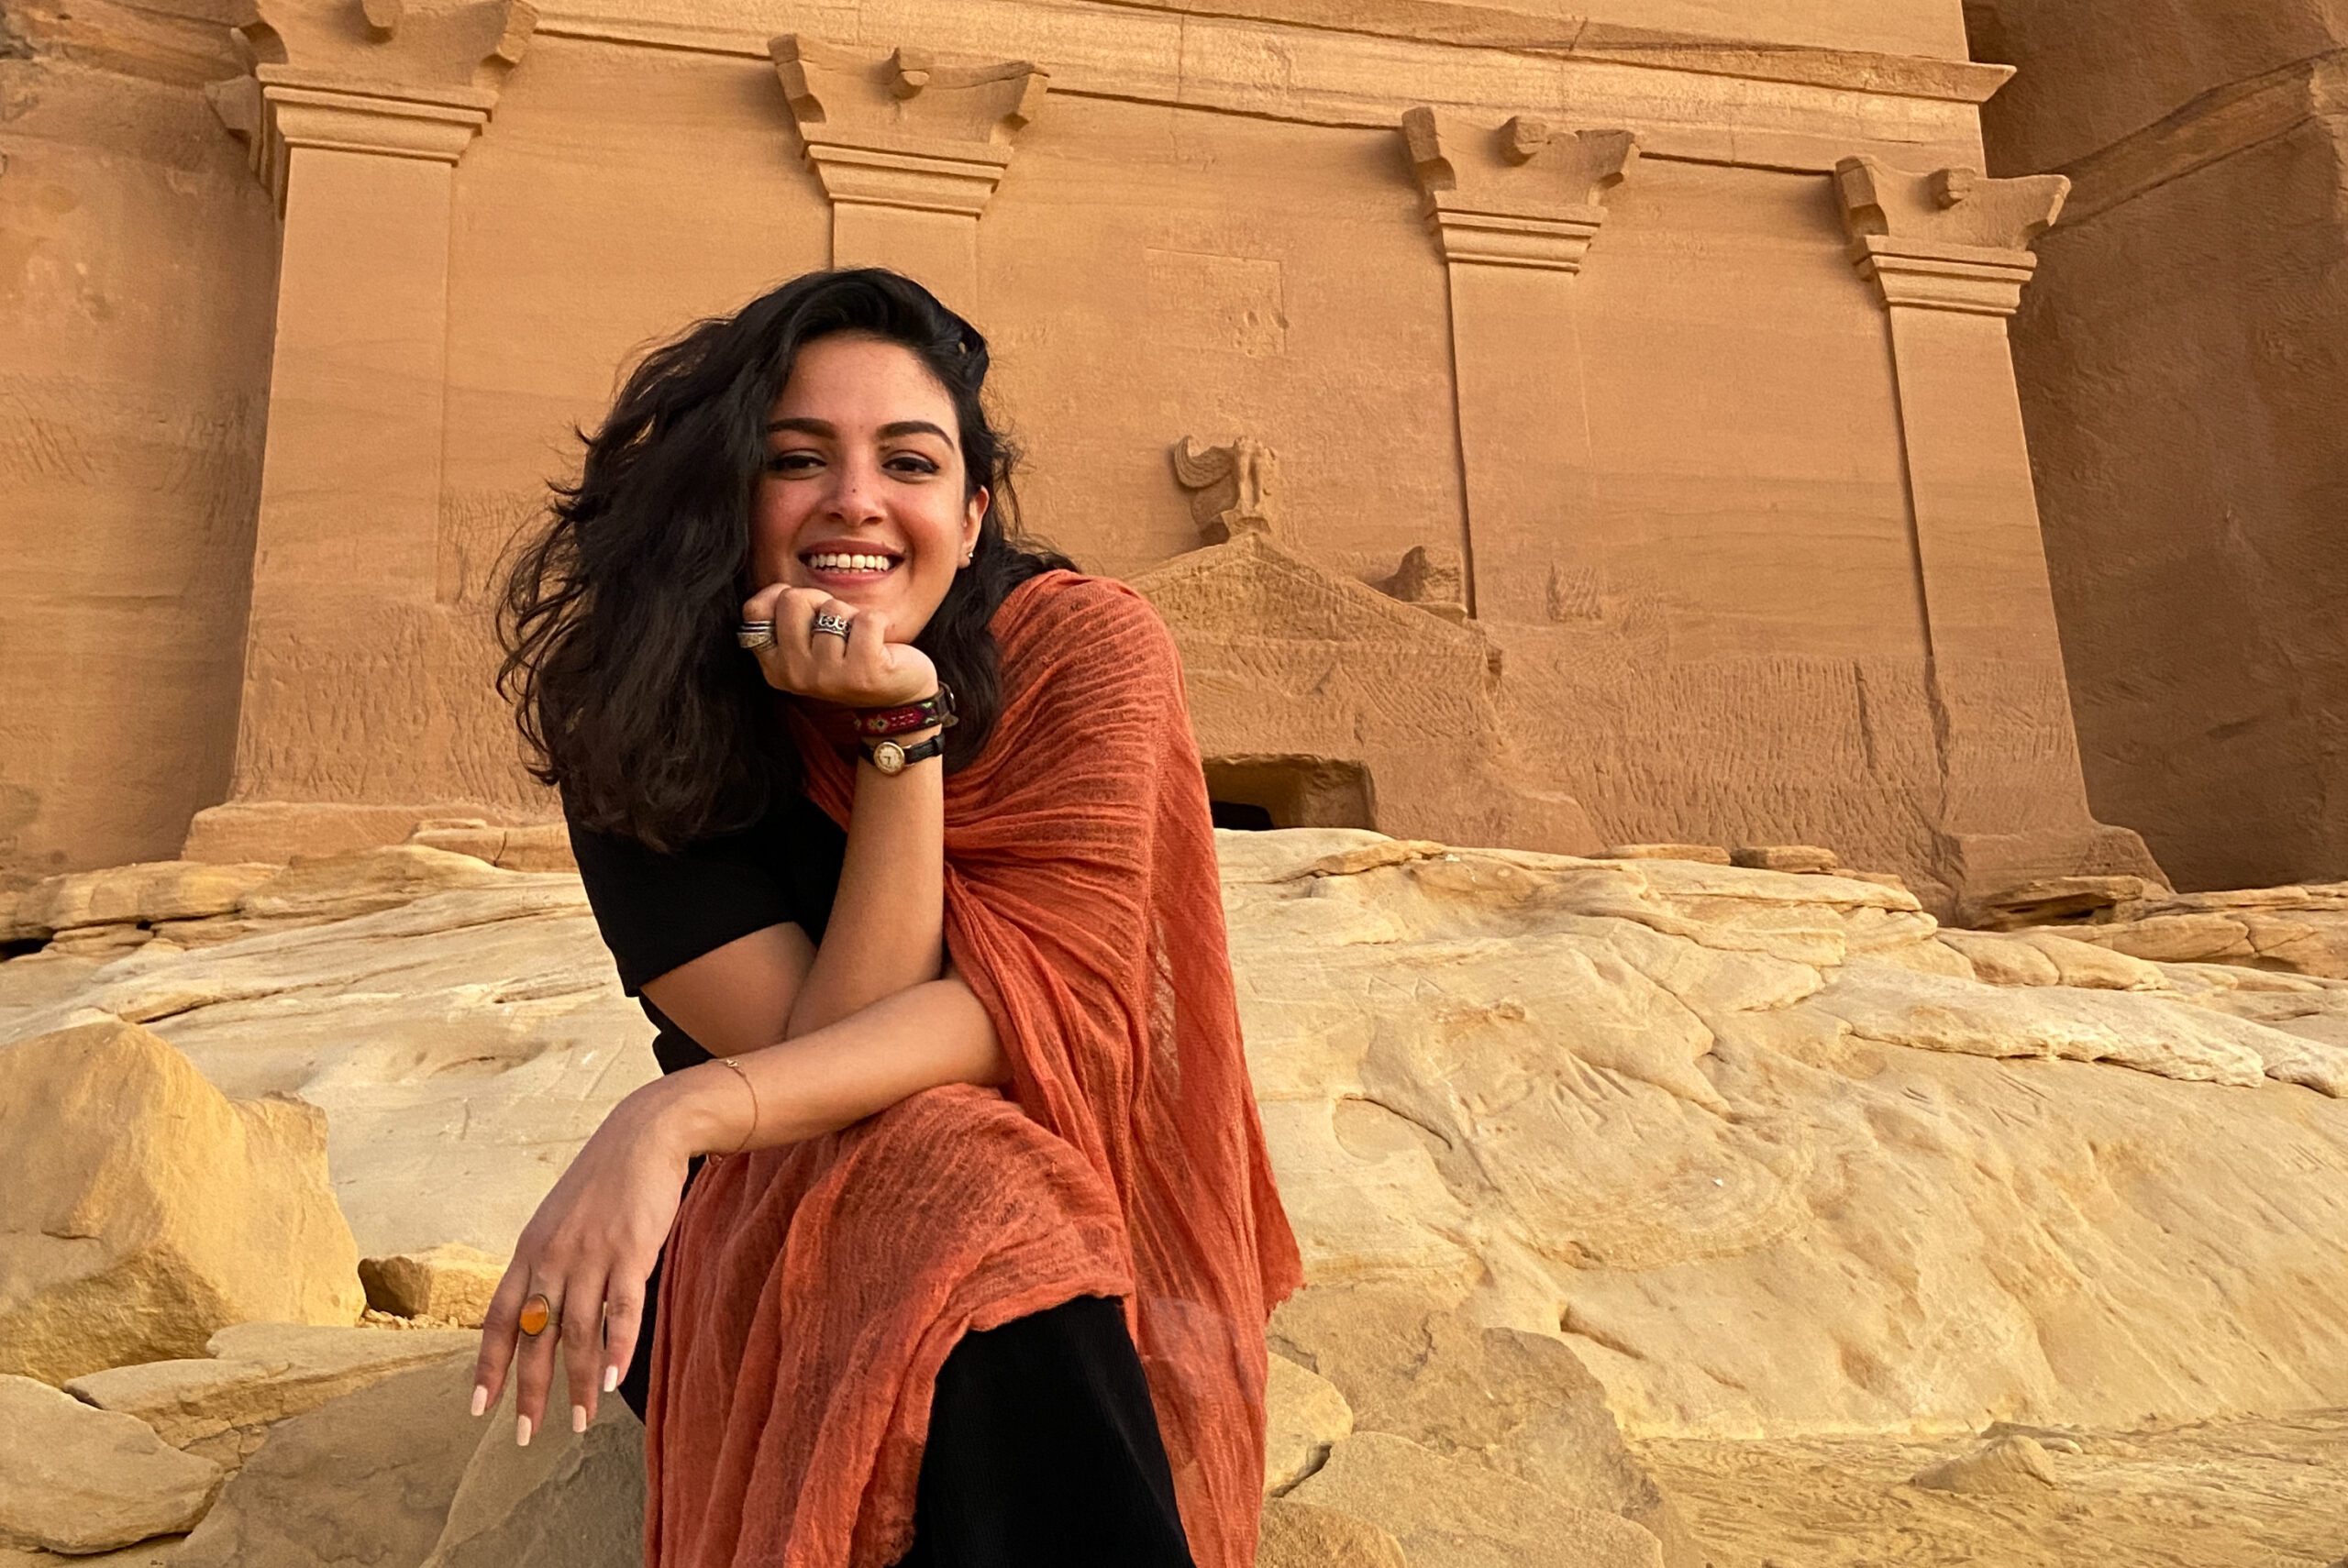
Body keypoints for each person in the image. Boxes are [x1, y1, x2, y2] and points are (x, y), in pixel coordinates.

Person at [480, 267, 1303, 1567]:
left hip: (1043, 1188)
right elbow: (839, 1071)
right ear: (731, 497)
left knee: (982, 1181)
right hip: (762, 1208)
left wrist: (665, 1114)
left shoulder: (1081, 653)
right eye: (796, 459)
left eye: (909, 463)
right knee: (958, 1170)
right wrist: (896, 744)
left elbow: (1057, 1011)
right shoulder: (645, 713)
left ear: (972, 519)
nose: (855, 500)